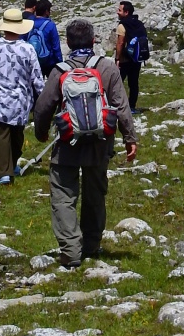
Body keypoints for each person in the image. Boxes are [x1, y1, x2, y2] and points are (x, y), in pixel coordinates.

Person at [33, 17, 137, 269]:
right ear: (93, 40)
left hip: (67, 142)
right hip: (100, 142)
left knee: (63, 195)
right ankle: (91, 244)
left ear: (68, 42)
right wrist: (130, 137)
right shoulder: (108, 68)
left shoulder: (59, 70)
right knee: (95, 193)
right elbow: (121, 106)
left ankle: (70, 250)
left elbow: (43, 107)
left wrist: (41, 132)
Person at [0, 6, 44, 181]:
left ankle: (3, 172)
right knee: (16, 134)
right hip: (21, 100)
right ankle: (11, 165)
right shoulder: (27, 49)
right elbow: (36, 77)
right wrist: (43, 96)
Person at [114, 0, 149, 113]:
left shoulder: (122, 25)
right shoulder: (138, 23)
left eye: (120, 10)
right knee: (133, 83)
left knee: (117, 83)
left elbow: (120, 43)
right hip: (136, 58)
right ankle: (132, 107)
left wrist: (117, 59)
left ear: (126, 12)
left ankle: (116, 106)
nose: (117, 12)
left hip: (125, 59)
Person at [29, 0, 63, 76]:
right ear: (46, 11)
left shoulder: (30, 23)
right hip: (49, 61)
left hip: (34, 61)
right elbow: (56, 46)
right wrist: (60, 62)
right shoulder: (50, 25)